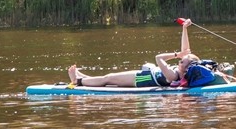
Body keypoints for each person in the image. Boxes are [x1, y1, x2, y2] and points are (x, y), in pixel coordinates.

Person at [67, 18, 222, 87]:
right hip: (144, 75)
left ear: (185, 67)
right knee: (109, 79)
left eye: (182, 60)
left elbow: (158, 58)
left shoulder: (172, 75)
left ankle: (77, 82)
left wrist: (176, 55)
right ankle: (85, 77)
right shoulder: (183, 71)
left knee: (108, 79)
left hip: (140, 79)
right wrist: (184, 29)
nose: (180, 60)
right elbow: (186, 51)